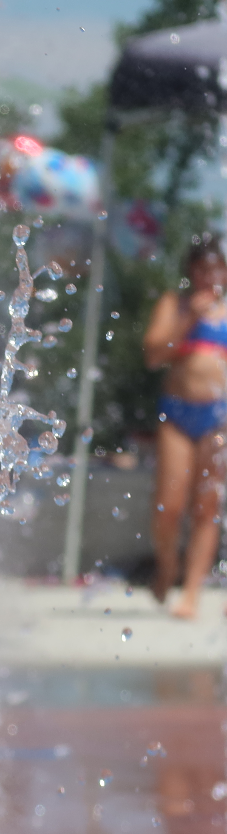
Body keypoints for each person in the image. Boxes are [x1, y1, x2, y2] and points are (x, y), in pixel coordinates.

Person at [144, 236, 227, 618]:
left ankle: (191, 592)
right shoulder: (173, 305)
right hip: (177, 414)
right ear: (191, 270)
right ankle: (167, 566)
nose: (208, 274)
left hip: (219, 416)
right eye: (201, 267)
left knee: (207, 506)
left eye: (215, 267)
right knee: (168, 507)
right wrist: (190, 317)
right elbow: (153, 354)